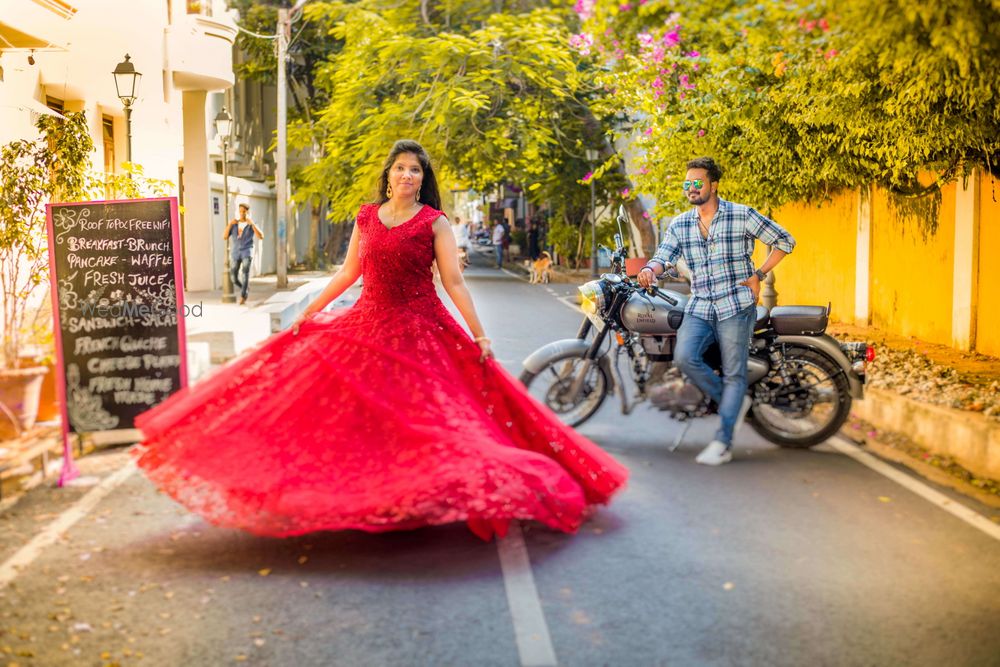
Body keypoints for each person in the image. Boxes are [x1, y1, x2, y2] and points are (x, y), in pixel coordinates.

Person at [133, 139, 627, 541]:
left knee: (433, 422)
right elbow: (349, 272)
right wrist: (312, 310)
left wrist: (479, 333)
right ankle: (369, 496)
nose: (407, 176)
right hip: (367, 324)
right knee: (341, 415)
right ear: (388, 175)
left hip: (422, 331)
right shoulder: (367, 217)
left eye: (416, 170)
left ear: (422, 179)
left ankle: (422, 494)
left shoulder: (435, 223)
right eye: (401, 169)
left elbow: (453, 282)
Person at [637, 157, 795, 466]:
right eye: (688, 184)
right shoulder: (681, 223)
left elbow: (785, 241)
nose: (692, 189)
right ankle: (732, 404)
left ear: (714, 185)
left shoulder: (741, 214)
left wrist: (759, 275)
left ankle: (723, 442)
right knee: (684, 357)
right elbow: (664, 256)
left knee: (734, 373)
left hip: (735, 305)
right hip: (700, 305)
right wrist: (649, 269)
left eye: (698, 183)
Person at [223, 201, 264, 305]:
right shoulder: (234, 224)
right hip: (236, 253)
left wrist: (253, 224)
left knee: (245, 274)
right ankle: (245, 288)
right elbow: (224, 237)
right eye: (240, 211)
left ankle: (243, 296)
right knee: (233, 277)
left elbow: (261, 236)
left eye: (244, 211)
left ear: (248, 212)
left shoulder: (252, 224)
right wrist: (229, 224)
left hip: (247, 251)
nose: (242, 213)